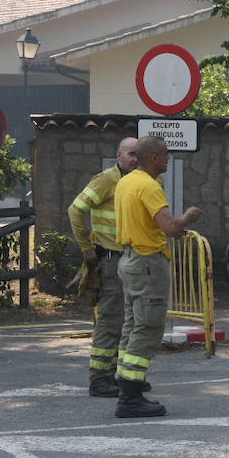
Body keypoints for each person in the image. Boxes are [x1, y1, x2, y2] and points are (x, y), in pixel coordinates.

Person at [113, 135, 203, 418]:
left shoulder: (126, 181)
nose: (168, 157)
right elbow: (171, 227)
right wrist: (189, 215)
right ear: (152, 157)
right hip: (147, 262)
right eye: (164, 153)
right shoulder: (149, 186)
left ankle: (127, 383)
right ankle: (130, 396)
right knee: (148, 327)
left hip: (128, 258)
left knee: (132, 324)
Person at [68, 136, 140, 397]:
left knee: (127, 321)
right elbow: (75, 210)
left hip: (131, 258)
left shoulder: (140, 181)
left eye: (138, 155)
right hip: (111, 259)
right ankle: (99, 378)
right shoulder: (107, 180)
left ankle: (121, 376)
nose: (135, 159)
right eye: (130, 154)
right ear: (118, 155)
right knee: (109, 321)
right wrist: (86, 247)